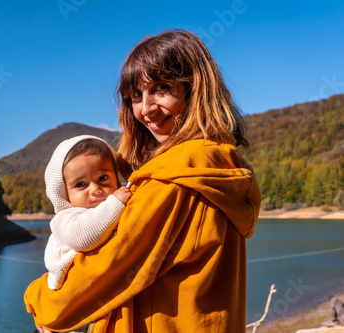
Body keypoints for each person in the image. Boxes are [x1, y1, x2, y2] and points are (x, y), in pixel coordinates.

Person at [25, 29, 261, 333]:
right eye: (136, 95)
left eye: (161, 88)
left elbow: (105, 271)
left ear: (195, 88)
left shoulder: (174, 180)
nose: (146, 108)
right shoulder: (220, 166)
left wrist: (37, 300)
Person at [43, 135, 132, 291]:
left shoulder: (119, 196)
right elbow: (84, 237)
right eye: (81, 184)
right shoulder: (64, 219)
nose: (95, 189)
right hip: (74, 290)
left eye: (103, 178)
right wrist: (115, 203)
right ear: (63, 192)